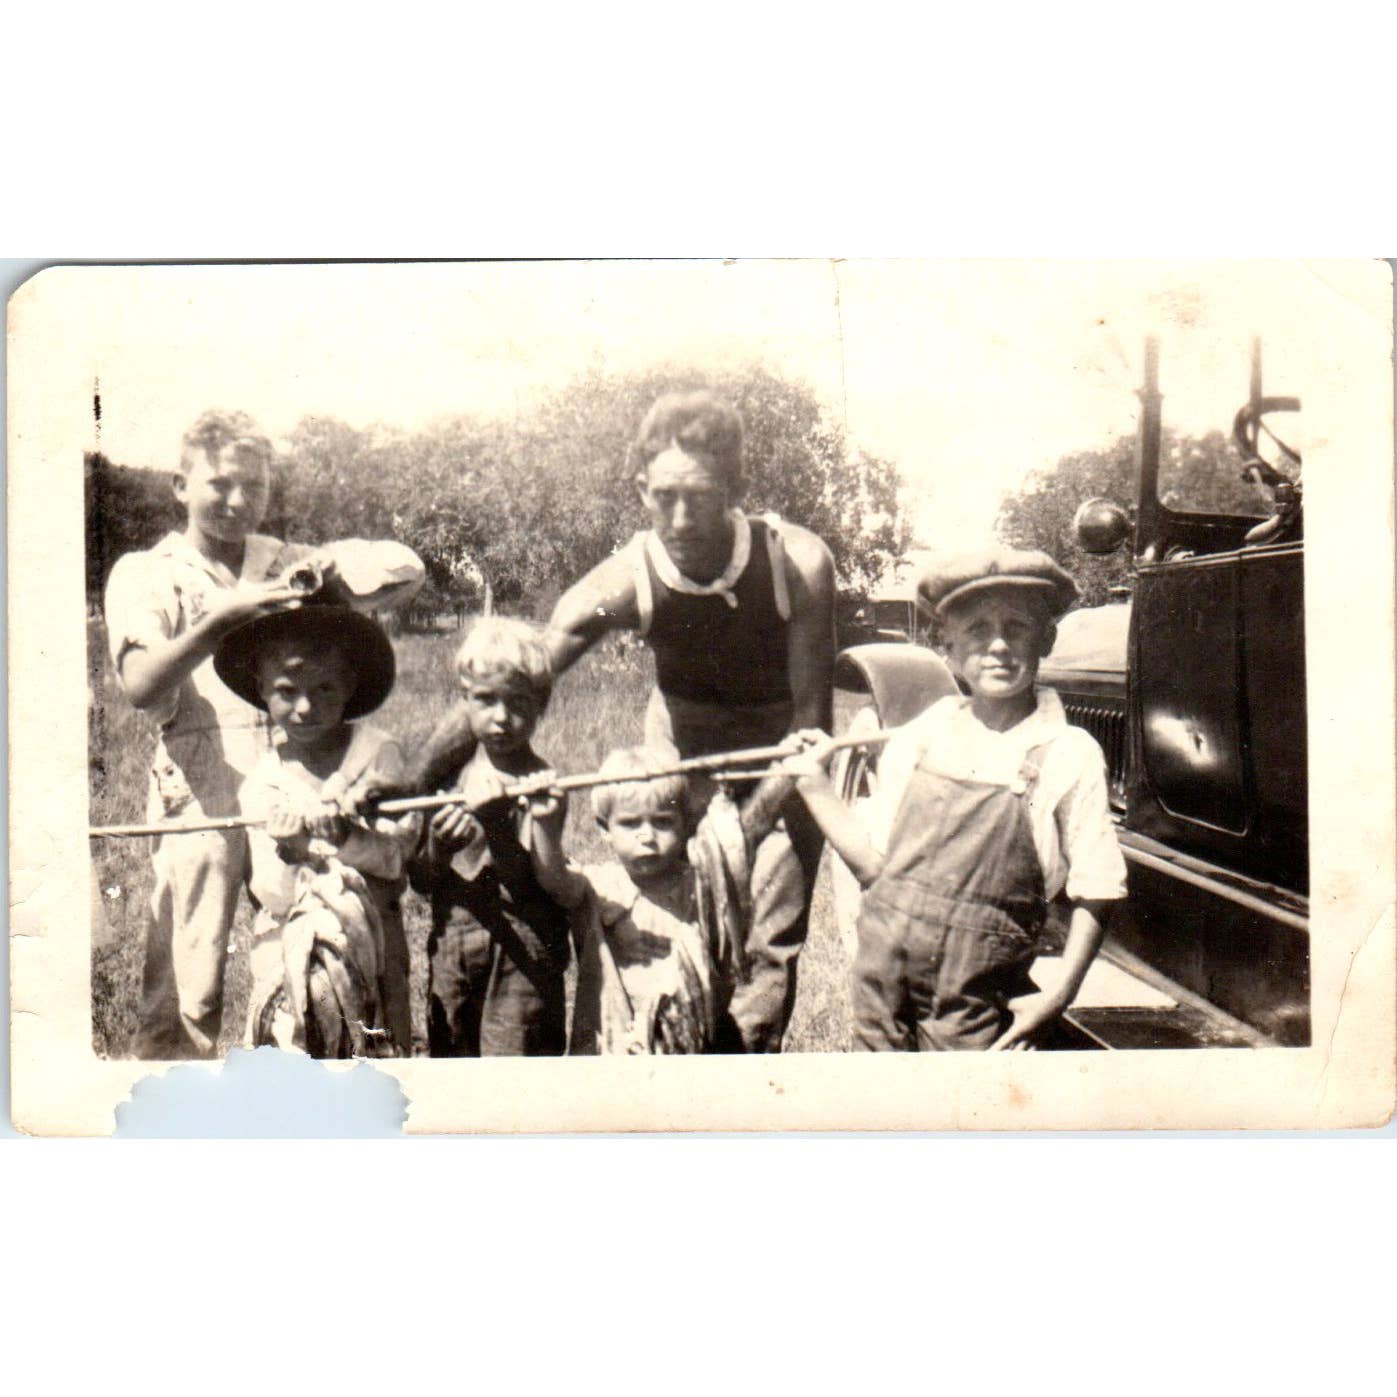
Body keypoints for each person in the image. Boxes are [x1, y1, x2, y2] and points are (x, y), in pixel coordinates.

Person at [356, 391, 837, 1052]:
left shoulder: (797, 563)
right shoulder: (622, 579)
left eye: (699, 496)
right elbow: (510, 680)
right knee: (666, 945)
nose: (680, 516)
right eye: (663, 495)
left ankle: (736, 1097)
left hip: (783, 770)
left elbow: (811, 731)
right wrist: (409, 785)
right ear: (640, 488)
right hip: (677, 765)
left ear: (735, 487)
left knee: (761, 960)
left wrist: (737, 837)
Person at [102, 408, 422, 1058]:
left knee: (314, 954)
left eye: (255, 484)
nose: (238, 500)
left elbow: (406, 569)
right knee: (189, 990)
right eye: (220, 483)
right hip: (202, 785)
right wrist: (220, 621)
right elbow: (139, 684)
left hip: (300, 776)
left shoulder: (285, 561)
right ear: (179, 485)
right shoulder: (150, 570)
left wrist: (326, 577)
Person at [784, 547, 1128, 1051]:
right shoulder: (925, 735)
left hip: (974, 1003)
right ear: (947, 649)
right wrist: (814, 784)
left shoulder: (1066, 753)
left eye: (1017, 627)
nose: (998, 646)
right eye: (976, 630)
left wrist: (1058, 995)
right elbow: (874, 868)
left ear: (1047, 639)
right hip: (881, 985)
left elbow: (1098, 888)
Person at [215, 603, 418, 1056]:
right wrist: (293, 851)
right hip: (290, 947)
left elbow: (397, 859)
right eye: (287, 691)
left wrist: (344, 838)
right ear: (261, 690)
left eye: (325, 688)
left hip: (373, 941)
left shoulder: (376, 756)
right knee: (297, 1046)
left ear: (349, 687)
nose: (306, 707)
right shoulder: (262, 784)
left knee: (380, 1050)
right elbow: (272, 896)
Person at [524, 747, 793, 1055]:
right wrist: (544, 823)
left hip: (688, 1042)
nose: (647, 836)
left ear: (684, 823)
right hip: (613, 1044)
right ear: (604, 830)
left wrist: (788, 772)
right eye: (630, 823)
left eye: (663, 821)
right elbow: (555, 880)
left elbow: (741, 842)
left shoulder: (700, 885)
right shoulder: (600, 888)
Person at [407, 617, 571, 1057]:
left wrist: (499, 826)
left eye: (518, 702)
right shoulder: (446, 777)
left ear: (542, 705)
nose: (501, 718)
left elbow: (537, 886)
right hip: (454, 950)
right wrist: (439, 848)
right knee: (453, 1061)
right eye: (485, 700)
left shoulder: (540, 786)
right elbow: (422, 881)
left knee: (517, 1072)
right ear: (464, 701)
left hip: (524, 956)